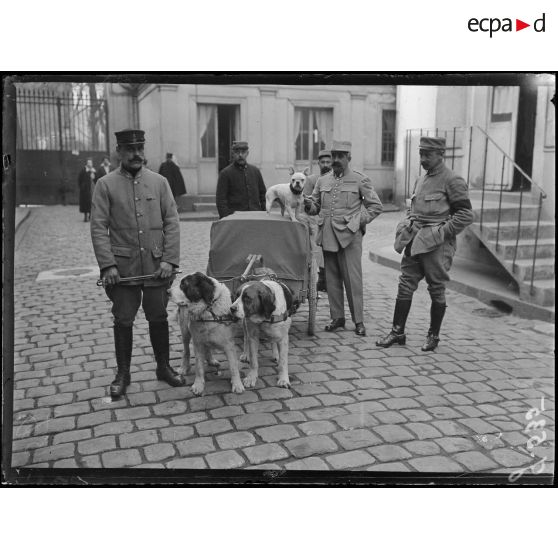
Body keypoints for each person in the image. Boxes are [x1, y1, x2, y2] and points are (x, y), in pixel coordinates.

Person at [90, 129, 184, 400]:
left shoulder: (159, 182)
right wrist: (108, 266)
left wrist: (169, 259)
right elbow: (98, 227)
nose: (136, 154)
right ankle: (123, 373)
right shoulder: (105, 185)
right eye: (130, 149)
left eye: (140, 148)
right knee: (123, 319)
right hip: (123, 270)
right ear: (119, 151)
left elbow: (172, 222)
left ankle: (164, 367)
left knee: (158, 316)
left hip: (156, 266)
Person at [376, 136, 474, 352]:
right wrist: (408, 222)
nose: (422, 158)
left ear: (441, 155)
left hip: (437, 245)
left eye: (427, 154)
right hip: (414, 240)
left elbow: (466, 215)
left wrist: (442, 231)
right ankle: (397, 331)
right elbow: (413, 207)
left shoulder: (452, 180)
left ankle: (433, 336)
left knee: (436, 288)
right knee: (405, 283)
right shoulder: (420, 180)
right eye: (421, 153)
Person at [304, 140, 383, 337]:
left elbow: (375, 207)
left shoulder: (359, 180)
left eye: (341, 156)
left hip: (350, 237)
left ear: (349, 158)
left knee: (353, 280)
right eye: (334, 156)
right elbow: (315, 205)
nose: (336, 160)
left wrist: (356, 223)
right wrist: (308, 206)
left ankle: (358, 321)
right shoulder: (323, 181)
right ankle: (337, 318)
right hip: (328, 235)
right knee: (331, 280)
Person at [303, 149, 332, 291]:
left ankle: (329, 281)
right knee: (316, 251)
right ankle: (318, 280)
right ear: (318, 163)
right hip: (315, 220)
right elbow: (306, 201)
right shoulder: (312, 180)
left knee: (330, 251)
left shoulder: (337, 180)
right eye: (323, 162)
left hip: (331, 221)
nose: (326, 164)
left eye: (328, 162)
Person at [216, 141, 266, 218]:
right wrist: (226, 218)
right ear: (233, 154)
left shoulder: (255, 171)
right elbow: (221, 200)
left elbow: (263, 195)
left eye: (243, 152)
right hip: (235, 218)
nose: (240, 155)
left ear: (247, 153)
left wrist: (264, 213)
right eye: (237, 152)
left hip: (255, 216)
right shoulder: (225, 173)